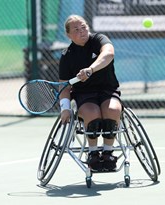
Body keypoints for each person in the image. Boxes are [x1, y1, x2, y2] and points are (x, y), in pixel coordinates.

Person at [58, 15, 122, 172]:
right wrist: (65, 108)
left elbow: (109, 54)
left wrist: (90, 69)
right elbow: (64, 86)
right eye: (76, 30)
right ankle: (93, 154)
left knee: (112, 110)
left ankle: (108, 152)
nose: (82, 32)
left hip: (108, 89)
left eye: (84, 27)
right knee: (92, 114)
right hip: (84, 95)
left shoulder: (99, 39)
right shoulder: (67, 56)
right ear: (68, 35)